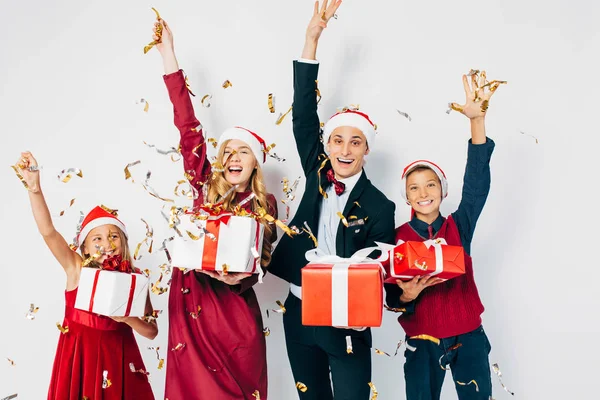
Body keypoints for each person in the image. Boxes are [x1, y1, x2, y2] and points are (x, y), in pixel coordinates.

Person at [268, 1, 396, 399]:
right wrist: (312, 39)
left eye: (355, 142)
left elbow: (383, 273)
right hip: (299, 311)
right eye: (338, 140)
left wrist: (373, 307)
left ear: (365, 151)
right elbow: (303, 114)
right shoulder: (316, 170)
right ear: (327, 145)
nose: (344, 149)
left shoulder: (380, 206)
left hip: (346, 319)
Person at [151, 18, 278, 400]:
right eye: (227, 152)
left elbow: (262, 265)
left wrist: (237, 280)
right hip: (192, 306)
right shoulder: (203, 184)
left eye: (244, 152)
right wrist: (168, 56)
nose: (234, 157)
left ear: (255, 163)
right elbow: (187, 126)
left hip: (234, 315)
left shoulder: (265, 205)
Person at [384, 71, 501, 400]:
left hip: (469, 336)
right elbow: (391, 299)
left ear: (442, 191)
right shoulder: (396, 239)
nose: (423, 193)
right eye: (414, 188)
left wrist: (476, 123)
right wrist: (406, 296)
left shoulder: (458, 225)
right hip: (422, 342)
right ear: (407, 197)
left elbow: (477, 184)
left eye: (430, 185)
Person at [15, 152, 157, 400]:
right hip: (79, 360)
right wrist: (35, 190)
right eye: (97, 238)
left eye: (113, 236)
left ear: (122, 242)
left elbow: (151, 331)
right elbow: (48, 232)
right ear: (85, 247)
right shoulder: (77, 269)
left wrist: (127, 319)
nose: (107, 243)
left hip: (120, 360)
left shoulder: (134, 277)